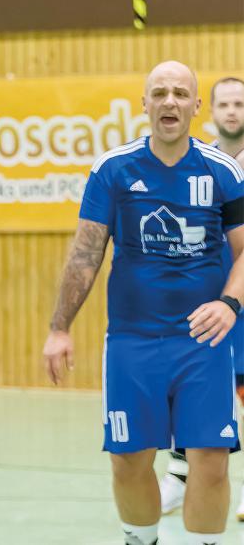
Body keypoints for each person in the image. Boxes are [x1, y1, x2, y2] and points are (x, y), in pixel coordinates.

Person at [43, 62, 244, 545]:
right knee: (129, 458)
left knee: (210, 461)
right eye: (159, 93)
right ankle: (141, 538)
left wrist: (230, 305)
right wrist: (59, 327)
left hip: (204, 342)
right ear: (145, 104)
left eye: (180, 93)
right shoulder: (113, 169)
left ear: (196, 107)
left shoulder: (223, 171)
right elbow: (86, 254)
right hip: (132, 341)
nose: (169, 101)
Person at [158, 76, 244, 521]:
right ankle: (178, 474)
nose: (232, 111)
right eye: (224, 103)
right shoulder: (196, 162)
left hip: (240, 293)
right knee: (189, 385)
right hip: (205, 296)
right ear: (207, 110)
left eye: (240, 104)